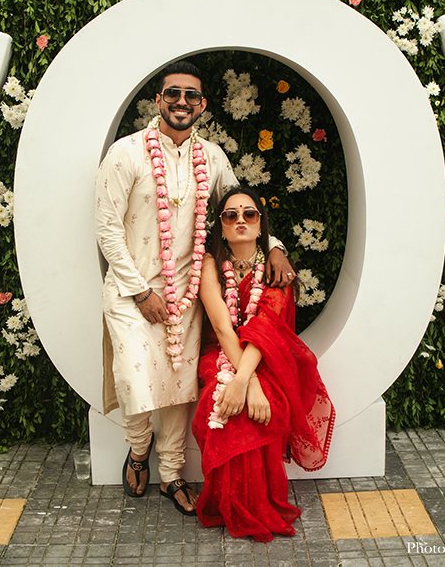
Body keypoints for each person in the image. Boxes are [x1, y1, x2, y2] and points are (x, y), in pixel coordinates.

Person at [94, 61, 294, 515]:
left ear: (202, 105)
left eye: (191, 95)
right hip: (131, 290)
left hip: (188, 291)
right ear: (158, 100)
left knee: (179, 386)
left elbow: (238, 208)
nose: (181, 102)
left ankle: (171, 474)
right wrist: (139, 291)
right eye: (173, 93)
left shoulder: (212, 157)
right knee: (135, 381)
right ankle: (138, 450)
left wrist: (275, 247)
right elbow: (107, 228)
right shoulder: (127, 153)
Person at [192, 187, 335, 542]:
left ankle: (259, 503)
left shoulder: (276, 269)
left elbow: (266, 327)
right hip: (220, 352)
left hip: (266, 354)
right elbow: (222, 327)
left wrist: (246, 379)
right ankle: (230, 503)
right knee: (220, 398)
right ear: (221, 226)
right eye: (231, 215)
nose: (240, 220)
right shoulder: (210, 264)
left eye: (249, 214)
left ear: (260, 225)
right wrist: (246, 383)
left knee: (267, 403)